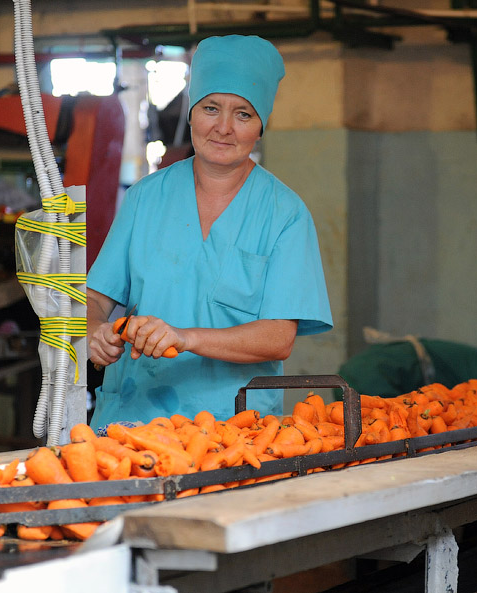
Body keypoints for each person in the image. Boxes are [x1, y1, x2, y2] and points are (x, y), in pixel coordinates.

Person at [86, 35, 333, 430]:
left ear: (260, 127)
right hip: (130, 424)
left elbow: (277, 338)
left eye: (243, 115)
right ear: (191, 114)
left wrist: (185, 338)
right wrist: (95, 332)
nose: (223, 128)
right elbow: (95, 299)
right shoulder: (145, 198)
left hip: (232, 430)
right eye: (211, 108)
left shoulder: (284, 214)